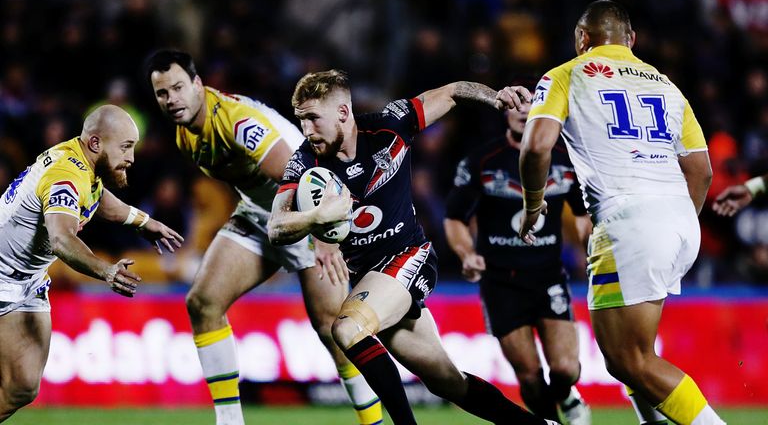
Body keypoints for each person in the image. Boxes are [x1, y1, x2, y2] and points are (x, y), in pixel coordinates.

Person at [268, 69, 557, 425]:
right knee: (448, 382)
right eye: (301, 120)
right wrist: (315, 218)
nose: (306, 130)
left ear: (343, 112)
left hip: (410, 257)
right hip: (371, 281)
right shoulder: (304, 162)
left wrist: (495, 96)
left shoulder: (390, 125)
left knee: (346, 328)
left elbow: (452, 90)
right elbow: (276, 227)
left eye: (313, 118)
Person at [146, 51, 381, 425]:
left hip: (307, 208)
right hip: (262, 214)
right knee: (203, 303)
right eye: (162, 93)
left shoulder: (238, 123)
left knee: (334, 330)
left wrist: (323, 234)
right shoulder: (184, 135)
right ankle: (229, 421)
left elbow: (303, 171)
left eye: (177, 87)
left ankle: (374, 422)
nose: (172, 99)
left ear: (197, 84)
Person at [518, 0, 725, 425]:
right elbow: (701, 171)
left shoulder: (565, 74)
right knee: (629, 357)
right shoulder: (666, 85)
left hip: (629, 222)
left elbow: (537, 145)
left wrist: (534, 203)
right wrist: (678, 224)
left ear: (582, 39)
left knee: (630, 360)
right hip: (680, 220)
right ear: (631, 40)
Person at [0, 105, 183, 422]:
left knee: (23, 385)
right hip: (2, 276)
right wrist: (106, 271)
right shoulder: (65, 176)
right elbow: (62, 239)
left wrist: (142, 221)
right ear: (96, 143)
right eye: (126, 147)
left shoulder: (81, 163)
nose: (132, 158)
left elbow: (98, 199)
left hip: (25, 280)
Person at [444, 96, 592, 424]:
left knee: (566, 368)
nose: (524, 111)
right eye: (516, 103)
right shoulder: (482, 162)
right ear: (504, 110)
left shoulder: (565, 160)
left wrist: (591, 245)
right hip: (501, 282)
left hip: (548, 275)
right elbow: (454, 217)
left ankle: (567, 395)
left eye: (533, 103)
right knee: (529, 377)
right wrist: (466, 253)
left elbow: (582, 214)